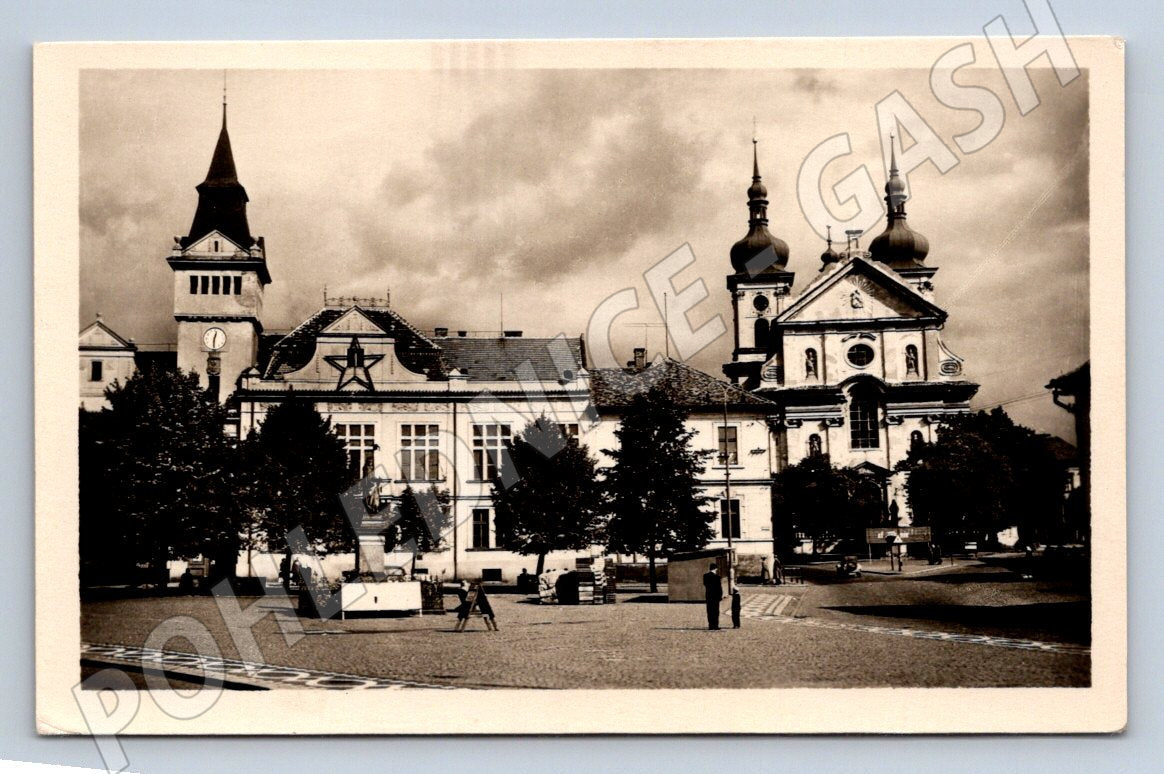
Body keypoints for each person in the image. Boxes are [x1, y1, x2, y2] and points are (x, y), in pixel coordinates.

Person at [703, 563, 723, 630]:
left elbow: (705, 584)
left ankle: (710, 625)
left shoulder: (705, 576)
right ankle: (715, 625)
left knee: (709, 611)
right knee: (716, 611)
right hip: (716, 597)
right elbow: (719, 588)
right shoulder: (717, 577)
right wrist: (720, 596)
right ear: (716, 569)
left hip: (709, 596)